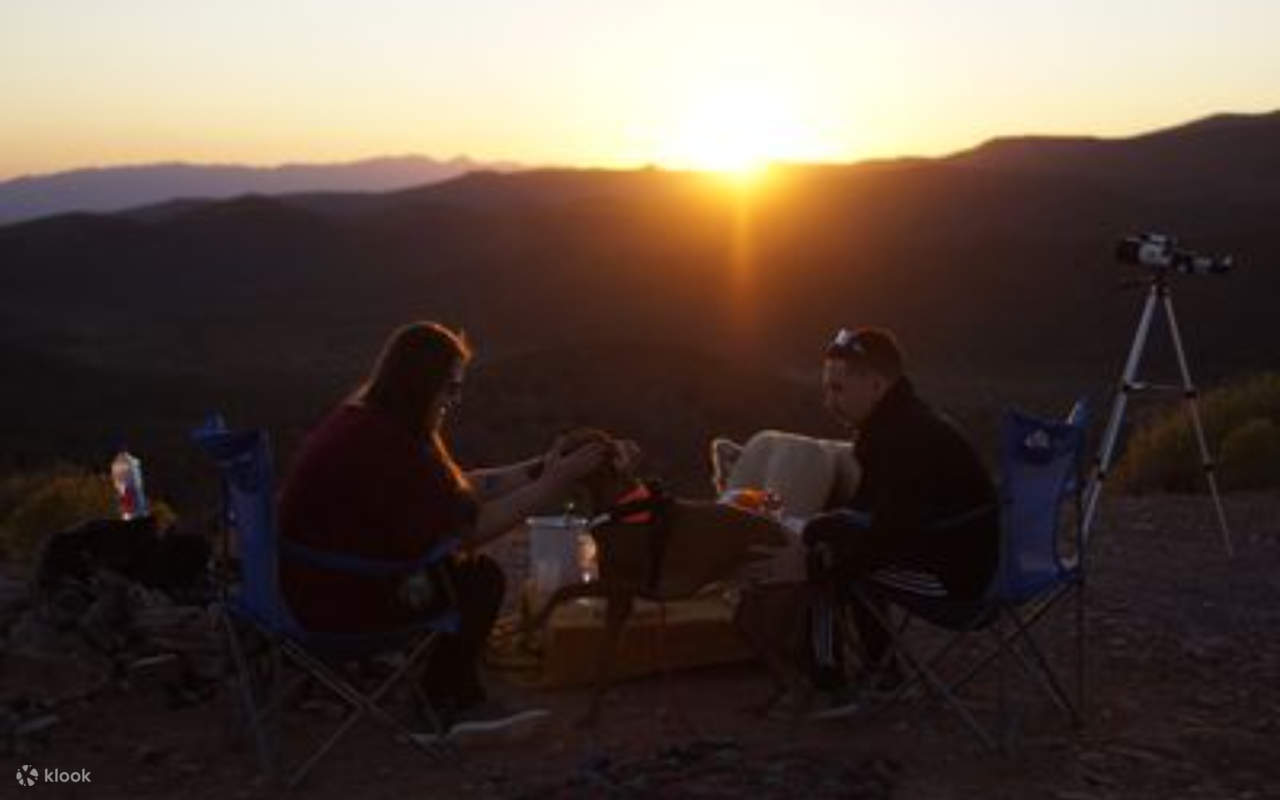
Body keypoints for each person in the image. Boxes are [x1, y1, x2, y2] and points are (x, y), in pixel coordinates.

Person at [278, 321, 612, 733]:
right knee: (478, 580)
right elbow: (472, 529)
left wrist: (541, 468)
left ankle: (443, 689)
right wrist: (553, 485)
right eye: (450, 388)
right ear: (421, 385)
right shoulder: (387, 445)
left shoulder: (367, 422)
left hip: (308, 587)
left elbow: (460, 488)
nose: (454, 400)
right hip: (342, 604)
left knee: (464, 574)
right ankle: (449, 701)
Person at [801, 326, 999, 716]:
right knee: (844, 550)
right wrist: (837, 524)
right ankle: (882, 671)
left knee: (828, 564)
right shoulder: (900, 423)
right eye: (826, 390)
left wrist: (826, 544)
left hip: (961, 585)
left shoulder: (904, 438)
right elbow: (876, 510)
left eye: (838, 389)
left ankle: (829, 682)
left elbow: (892, 530)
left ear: (876, 385)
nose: (829, 402)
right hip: (970, 561)